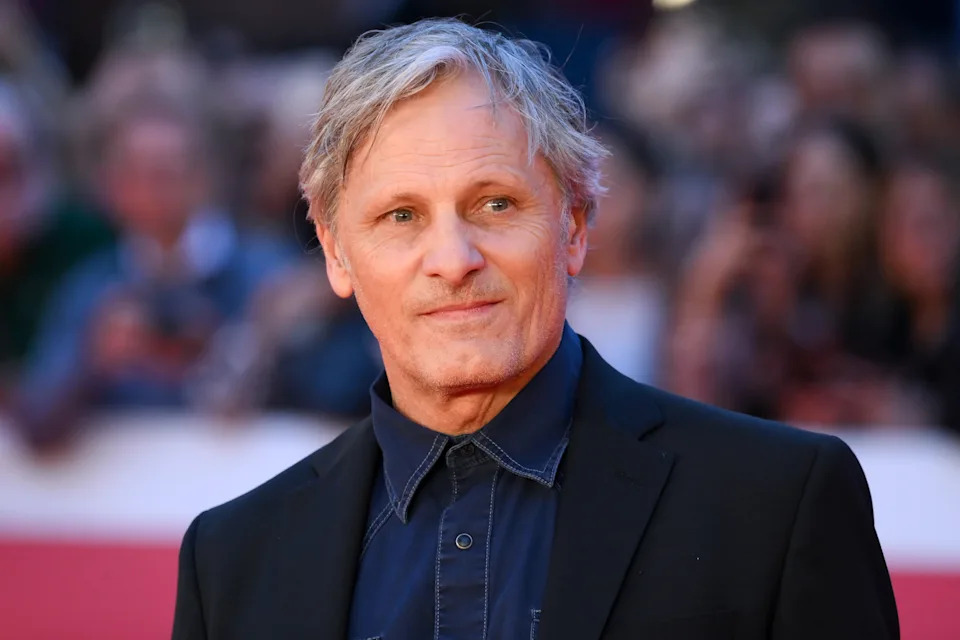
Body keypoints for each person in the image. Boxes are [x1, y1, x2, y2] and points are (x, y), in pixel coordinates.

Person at [172, 18, 898, 639]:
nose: (453, 261)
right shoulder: (233, 561)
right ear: (336, 251)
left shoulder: (774, 507)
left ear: (574, 226)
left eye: (494, 204)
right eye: (402, 217)